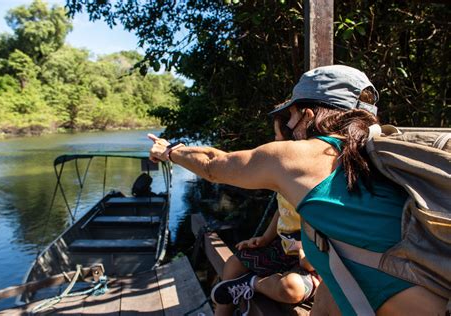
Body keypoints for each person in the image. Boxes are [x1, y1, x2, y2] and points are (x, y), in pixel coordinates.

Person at [148, 65, 447, 315]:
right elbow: (336, 282)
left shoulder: (303, 156)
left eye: (290, 115)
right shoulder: (376, 157)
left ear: (307, 114)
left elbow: (214, 164)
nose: (289, 127)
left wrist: (170, 151)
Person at [208, 108, 320, 316]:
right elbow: (282, 210)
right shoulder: (285, 175)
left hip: (315, 258)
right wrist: (266, 238)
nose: (274, 140)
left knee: (291, 289)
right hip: (285, 247)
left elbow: (320, 235)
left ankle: (252, 283)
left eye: (277, 135)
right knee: (234, 263)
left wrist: (310, 255)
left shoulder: (313, 180)